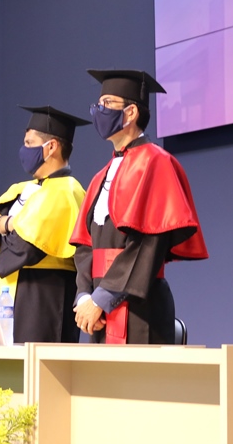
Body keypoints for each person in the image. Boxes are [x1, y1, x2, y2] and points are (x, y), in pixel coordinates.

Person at [71, 69, 208, 344]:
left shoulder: (157, 163)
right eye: (98, 104)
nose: (99, 110)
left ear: (131, 112)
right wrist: (84, 296)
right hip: (98, 312)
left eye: (107, 103)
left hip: (141, 308)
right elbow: (86, 246)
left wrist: (101, 298)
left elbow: (150, 243)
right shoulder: (101, 175)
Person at [0, 106, 88, 343]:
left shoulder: (66, 191)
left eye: (29, 143)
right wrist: (8, 224)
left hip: (41, 296)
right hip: (9, 291)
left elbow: (23, 247)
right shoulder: (23, 188)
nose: (24, 149)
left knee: (34, 361)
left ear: (51, 147)